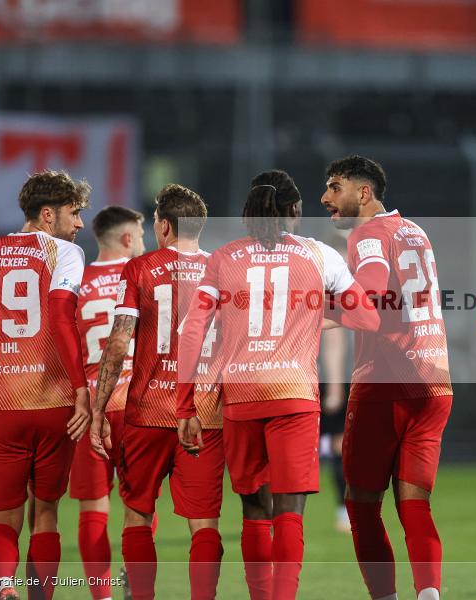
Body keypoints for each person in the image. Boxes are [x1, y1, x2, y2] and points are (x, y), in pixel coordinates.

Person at [177, 169, 379, 600]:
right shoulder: (319, 254)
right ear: (295, 212)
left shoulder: (224, 257)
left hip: (240, 396)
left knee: (254, 508)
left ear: (249, 216)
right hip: (293, 394)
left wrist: (185, 404)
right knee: (291, 511)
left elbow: (193, 329)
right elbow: (368, 318)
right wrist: (314, 314)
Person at [0, 170, 92, 600]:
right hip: (53, 404)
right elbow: (62, 319)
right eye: (75, 213)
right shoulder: (65, 253)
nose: (80, 224)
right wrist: (81, 387)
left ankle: (4, 588)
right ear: (48, 215)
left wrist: (2, 358)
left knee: (0, 522)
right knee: (45, 513)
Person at [321, 155, 453, 600]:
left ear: (364, 193)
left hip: (386, 383)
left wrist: (313, 314)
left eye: (334, 187)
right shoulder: (415, 231)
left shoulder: (367, 234)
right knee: (414, 503)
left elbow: (373, 297)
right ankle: (429, 594)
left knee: (361, 505)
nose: (325, 198)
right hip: (434, 381)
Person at [90, 184, 224, 600]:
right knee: (204, 524)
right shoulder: (222, 270)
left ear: (163, 226)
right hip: (202, 414)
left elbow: (118, 341)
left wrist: (98, 408)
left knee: (136, 514)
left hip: (147, 411)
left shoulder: (140, 268)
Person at [70, 206, 146, 600]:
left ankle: (101, 596)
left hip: (91, 404)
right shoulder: (145, 275)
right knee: (140, 505)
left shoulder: (75, 284)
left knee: (92, 509)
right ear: (129, 238)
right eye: (143, 234)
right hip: (137, 402)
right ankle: (136, 582)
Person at [319, 228, 353, 533]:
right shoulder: (330, 290)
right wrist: (333, 387)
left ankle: (346, 508)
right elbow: (334, 344)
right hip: (328, 380)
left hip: (347, 378)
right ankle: (346, 509)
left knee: (341, 446)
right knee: (339, 446)